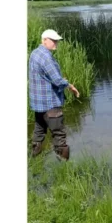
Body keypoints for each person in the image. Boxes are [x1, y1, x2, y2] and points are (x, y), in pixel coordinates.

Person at [29, 28, 80, 160]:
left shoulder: (34, 53)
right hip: (50, 102)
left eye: (57, 41)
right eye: (53, 40)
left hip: (38, 104)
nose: (56, 43)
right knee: (59, 135)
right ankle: (64, 165)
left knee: (39, 132)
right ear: (44, 40)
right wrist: (70, 86)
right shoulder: (46, 57)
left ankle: (34, 159)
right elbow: (57, 80)